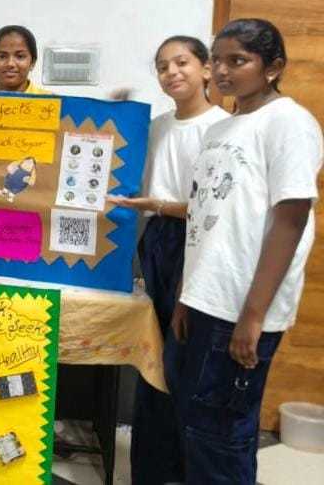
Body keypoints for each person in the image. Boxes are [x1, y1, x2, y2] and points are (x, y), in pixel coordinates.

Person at [172, 19, 322, 484]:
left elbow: (291, 218)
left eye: (237, 60)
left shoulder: (289, 123)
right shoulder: (221, 128)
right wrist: (185, 296)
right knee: (198, 428)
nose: (221, 70)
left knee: (223, 435)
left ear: (272, 67)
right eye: (217, 60)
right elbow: (205, 219)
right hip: (206, 300)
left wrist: (253, 316)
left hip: (242, 307)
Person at [108, 36, 230, 484]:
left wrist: (159, 205)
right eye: (162, 66)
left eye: (182, 62)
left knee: (186, 356)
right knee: (153, 353)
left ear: (206, 69)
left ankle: (185, 466)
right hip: (157, 239)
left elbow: (215, 209)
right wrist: (115, 117)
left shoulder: (222, 129)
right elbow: (131, 179)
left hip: (199, 243)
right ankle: (152, 468)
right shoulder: (157, 126)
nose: (172, 72)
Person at [0, 25, 51, 94]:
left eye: (20, 56)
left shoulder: (50, 99)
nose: (10, 64)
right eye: (2, 57)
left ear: (32, 63)